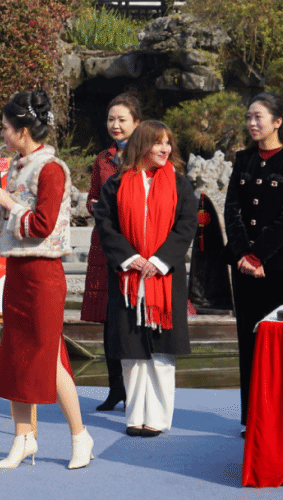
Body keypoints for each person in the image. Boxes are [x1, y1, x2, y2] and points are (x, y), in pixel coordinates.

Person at [0, 90, 93, 470]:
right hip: (18, 271)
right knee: (16, 353)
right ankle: (23, 438)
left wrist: (7, 202)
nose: (2, 132)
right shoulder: (18, 165)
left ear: (23, 130)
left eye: (5, 127)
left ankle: (80, 435)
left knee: (49, 357)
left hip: (44, 273)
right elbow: (11, 216)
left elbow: (42, 225)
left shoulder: (52, 169)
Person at [93, 120, 198, 436]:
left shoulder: (180, 184)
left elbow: (186, 226)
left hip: (164, 280)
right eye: (157, 143)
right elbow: (106, 225)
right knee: (131, 353)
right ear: (141, 145)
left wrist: (159, 260)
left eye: (168, 142)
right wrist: (130, 258)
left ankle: (158, 417)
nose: (165, 149)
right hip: (128, 279)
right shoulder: (116, 184)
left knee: (161, 353)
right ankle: (135, 415)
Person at [224, 92, 283, 433]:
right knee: (248, 340)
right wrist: (243, 254)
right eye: (248, 117)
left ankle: (280, 418)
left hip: (278, 263)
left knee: (279, 341)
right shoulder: (243, 158)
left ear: (277, 121)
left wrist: (259, 255)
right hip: (243, 265)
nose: (252, 123)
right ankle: (252, 417)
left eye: (258, 117)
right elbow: (232, 210)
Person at [81, 93, 141, 412]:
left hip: (135, 244)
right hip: (105, 245)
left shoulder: (146, 156)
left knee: (133, 315)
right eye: (111, 119)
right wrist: (94, 205)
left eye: (122, 120)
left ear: (137, 123)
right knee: (109, 319)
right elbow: (91, 197)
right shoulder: (103, 158)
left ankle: (137, 390)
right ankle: (115, 387)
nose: (115, 125)